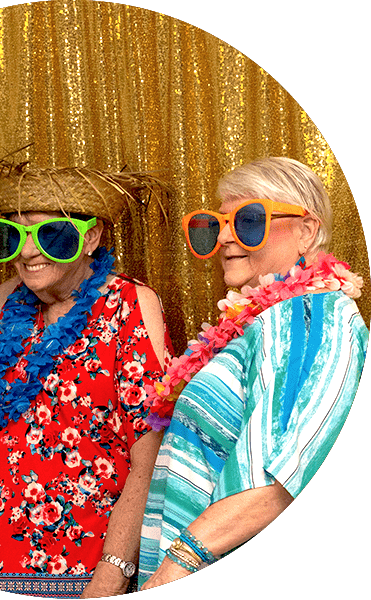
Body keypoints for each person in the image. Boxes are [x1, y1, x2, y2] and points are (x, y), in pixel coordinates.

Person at [139, 157, 368, 589]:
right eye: (217, 222)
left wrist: (173, 571)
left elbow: (284, 474)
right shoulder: (266, 321)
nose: (225, 236)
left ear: (306, 230)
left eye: (248, 220)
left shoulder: (311, 316)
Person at [0, 161, 173, 597]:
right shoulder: (10, 308)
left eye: (51, 235)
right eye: (13, 235)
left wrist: (112, 575)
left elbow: (150, 455)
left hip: (87, 574)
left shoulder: (129, 303)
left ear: (90, 237)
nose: (29, 251)